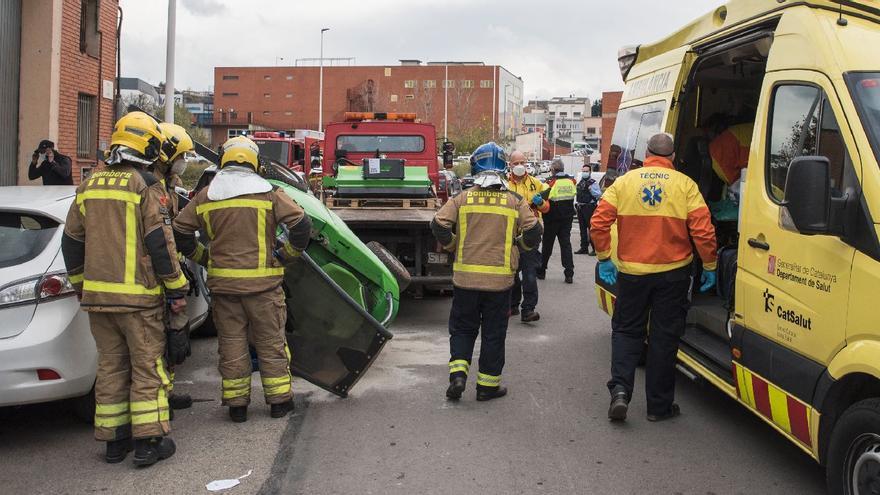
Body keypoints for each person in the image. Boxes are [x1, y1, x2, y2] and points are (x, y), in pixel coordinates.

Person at [61, 111, 190, 466]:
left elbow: (71, 241)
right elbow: (160, 244)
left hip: (99, 301)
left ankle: (114, 443)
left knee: (112, 368)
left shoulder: (89, 184)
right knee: (149, 368)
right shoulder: (145, 186)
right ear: (147, 145)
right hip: (139, 300)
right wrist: (177, 289)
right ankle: (149, 442)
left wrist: (80, 285)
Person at [173, 135, 312, 423]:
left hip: (225, 288)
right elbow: (302, 225)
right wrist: (287, 255)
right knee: (271, 342)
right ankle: (279, 402)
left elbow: (180, 231)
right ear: (254, 162)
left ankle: (237, 406)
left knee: (232, 344)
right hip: (264, 287)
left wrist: (203, 257)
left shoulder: (207, 196)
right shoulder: (269, 193)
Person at [591, 133, 717, 423]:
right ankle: (658, 408)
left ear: (646, 153)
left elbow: (599, 222)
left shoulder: (624, 183)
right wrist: (709, 264)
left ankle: (620, 391)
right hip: (673, 274)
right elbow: (703, 230)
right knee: (663, 337)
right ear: (673, 157)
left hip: (632, 274)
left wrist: (604, 257)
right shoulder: (686, 185)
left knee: (626, 331)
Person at [432, 142, 542, 402]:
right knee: (493, 333)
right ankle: (487, 387)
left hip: (465, 280)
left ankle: (458, 376)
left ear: (475, 167)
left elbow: (438, 225)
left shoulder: (462, 198)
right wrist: (520, 247)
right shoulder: (515, 201)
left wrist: (453, 245)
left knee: (462, 329)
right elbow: (535, 231)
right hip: (500, 283)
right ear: (504, 167)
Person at [153, 122, 198, 412]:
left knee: (169, 341)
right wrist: (176, 281)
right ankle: (155, 406)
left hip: (161, 275)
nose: (183, 163)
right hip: (152, 279)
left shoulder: (167, 185)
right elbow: (159, 238)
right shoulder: (150, 187)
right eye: (181, 156)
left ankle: (166, 393)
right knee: (156, 344)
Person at [506, 150, 549, 322]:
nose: (519, 166)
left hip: (530, 233)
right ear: (510, 165)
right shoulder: (504, 185)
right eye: (516, 163)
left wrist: (541, 203)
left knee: (529, 273)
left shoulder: (536, 184)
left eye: (522, 162)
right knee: (513, 272)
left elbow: (546, 209)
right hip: (510, 233)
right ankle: (513, 304)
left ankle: (528, 309)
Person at [538, 159, 577, 284]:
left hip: (552, 219)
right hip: (567, 219)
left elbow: (541, 198)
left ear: (553, 169)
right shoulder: (571, 181)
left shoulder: (551, 182)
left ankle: (542, 271)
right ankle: (569, 274)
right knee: (566, 245)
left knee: (547, 246)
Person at [574, 164, 601, 256]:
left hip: (589, 207)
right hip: (580, 207)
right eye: (583, 171)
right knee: (582, 228)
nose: (584, 173)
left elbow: (598, 195)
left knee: (591, 228)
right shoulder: (580, 182)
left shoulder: (593, 183)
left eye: (586, 171)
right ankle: (584, 248)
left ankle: (595, 249)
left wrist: (591, 190)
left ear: (590, 172)